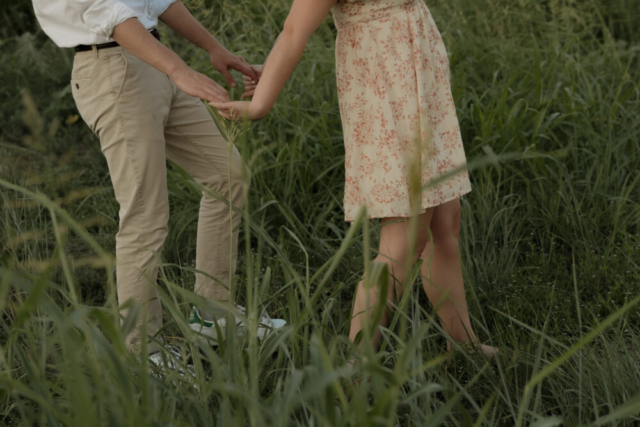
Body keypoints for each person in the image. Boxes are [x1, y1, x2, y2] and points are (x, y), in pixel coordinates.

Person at [214, 0, 496, 358]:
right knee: (403, 244)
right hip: (387, 94)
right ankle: (355, 376)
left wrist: (268, 70)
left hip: (421, 81)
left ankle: (462, 345)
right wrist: (259, 105)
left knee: (444, 224)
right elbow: (294, 30)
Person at [31, 0, 286, 362]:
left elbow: (154, 0)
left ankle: (212, 314)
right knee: (145, 214)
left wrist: (213, 47)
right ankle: (141, 351)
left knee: (227, 176)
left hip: (153, 58)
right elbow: (107, 11)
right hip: (111, 68)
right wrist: (180, 70)